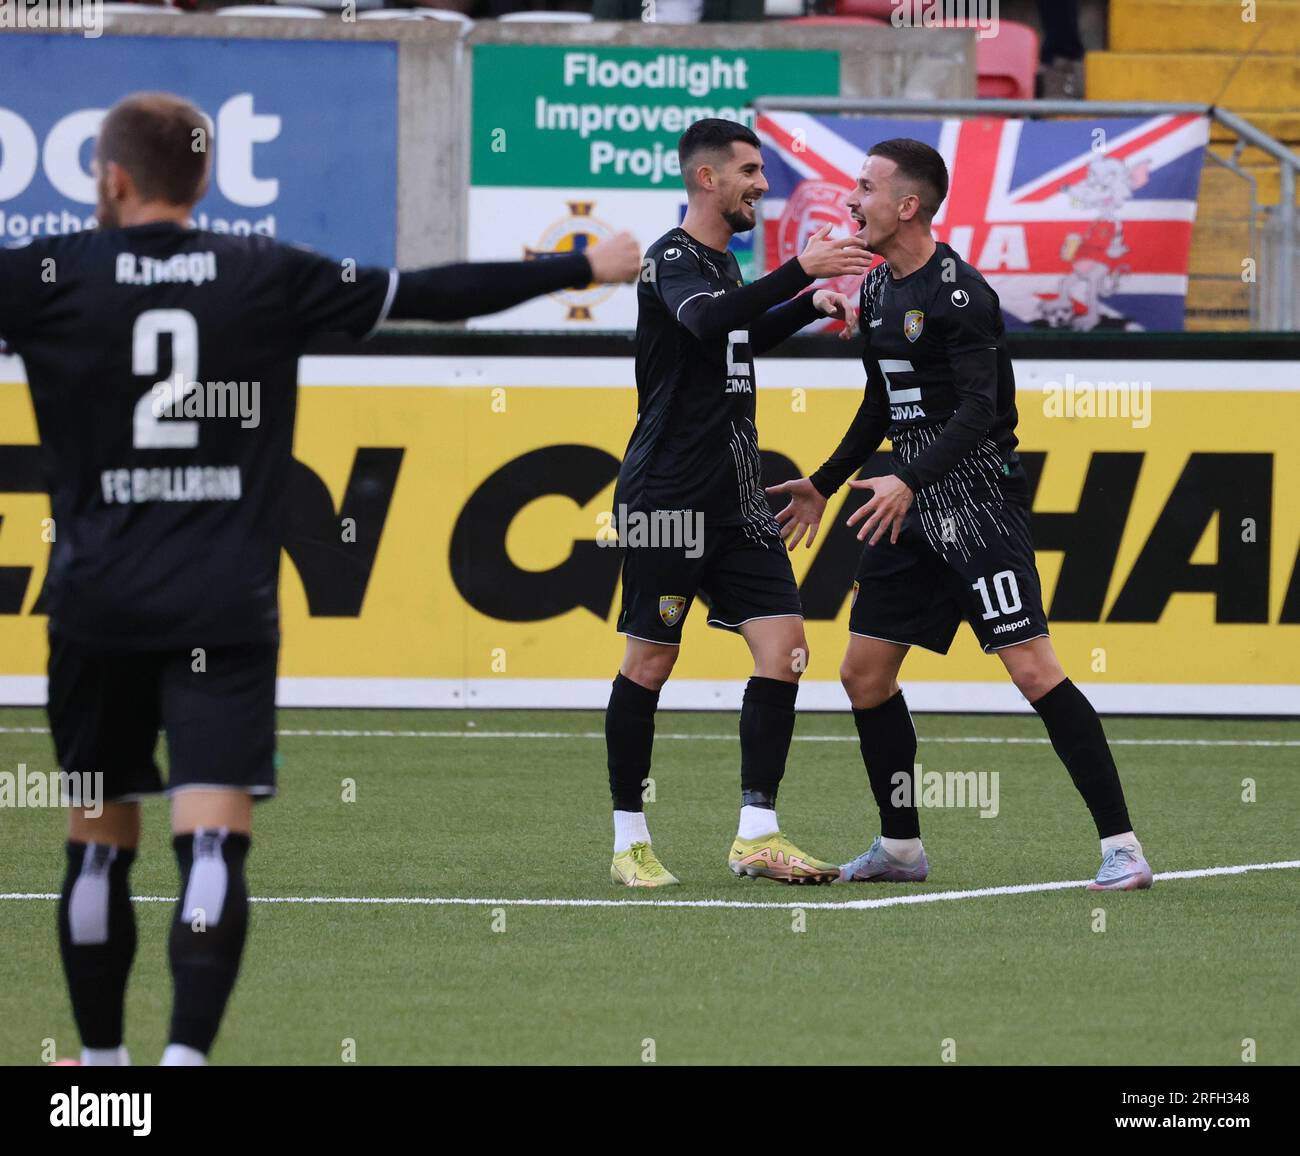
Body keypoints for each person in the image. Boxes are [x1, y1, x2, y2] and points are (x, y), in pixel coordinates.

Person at [0, 91, 641, 1066]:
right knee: (210, 844)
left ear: (113, 179)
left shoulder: (42, 275)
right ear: (204, 178)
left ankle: (102, 1078)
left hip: (93, 610)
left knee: (96, 837)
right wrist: (578, 266)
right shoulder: (267, 272)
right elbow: (430, 294)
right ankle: (184, 1066)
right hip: (223, 609)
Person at [767, 138, 1153, 892]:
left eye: (866, 187)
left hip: (976, 503)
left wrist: (910, 478)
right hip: (903, 503)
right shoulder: (877, 291)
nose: (852, 199)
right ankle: (901, 847)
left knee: (1033, 669)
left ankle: (1124, 847)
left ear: (907, 205)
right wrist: (822, 480)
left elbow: (980, 408)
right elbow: (881, 402)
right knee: (863, 674)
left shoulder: (960, 293)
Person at [606, 118, 871, 888]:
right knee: (651, 661)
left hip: (738, 496)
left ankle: (758, 833)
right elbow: (706, 322)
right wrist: (800, 269)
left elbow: (736, 338)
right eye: (750, 171)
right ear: (706, 179)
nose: (761, 183)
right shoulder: (671, 261)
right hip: (669, 496)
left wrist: (811, 302)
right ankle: (630, 841)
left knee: (786, 649)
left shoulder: (723, 266)